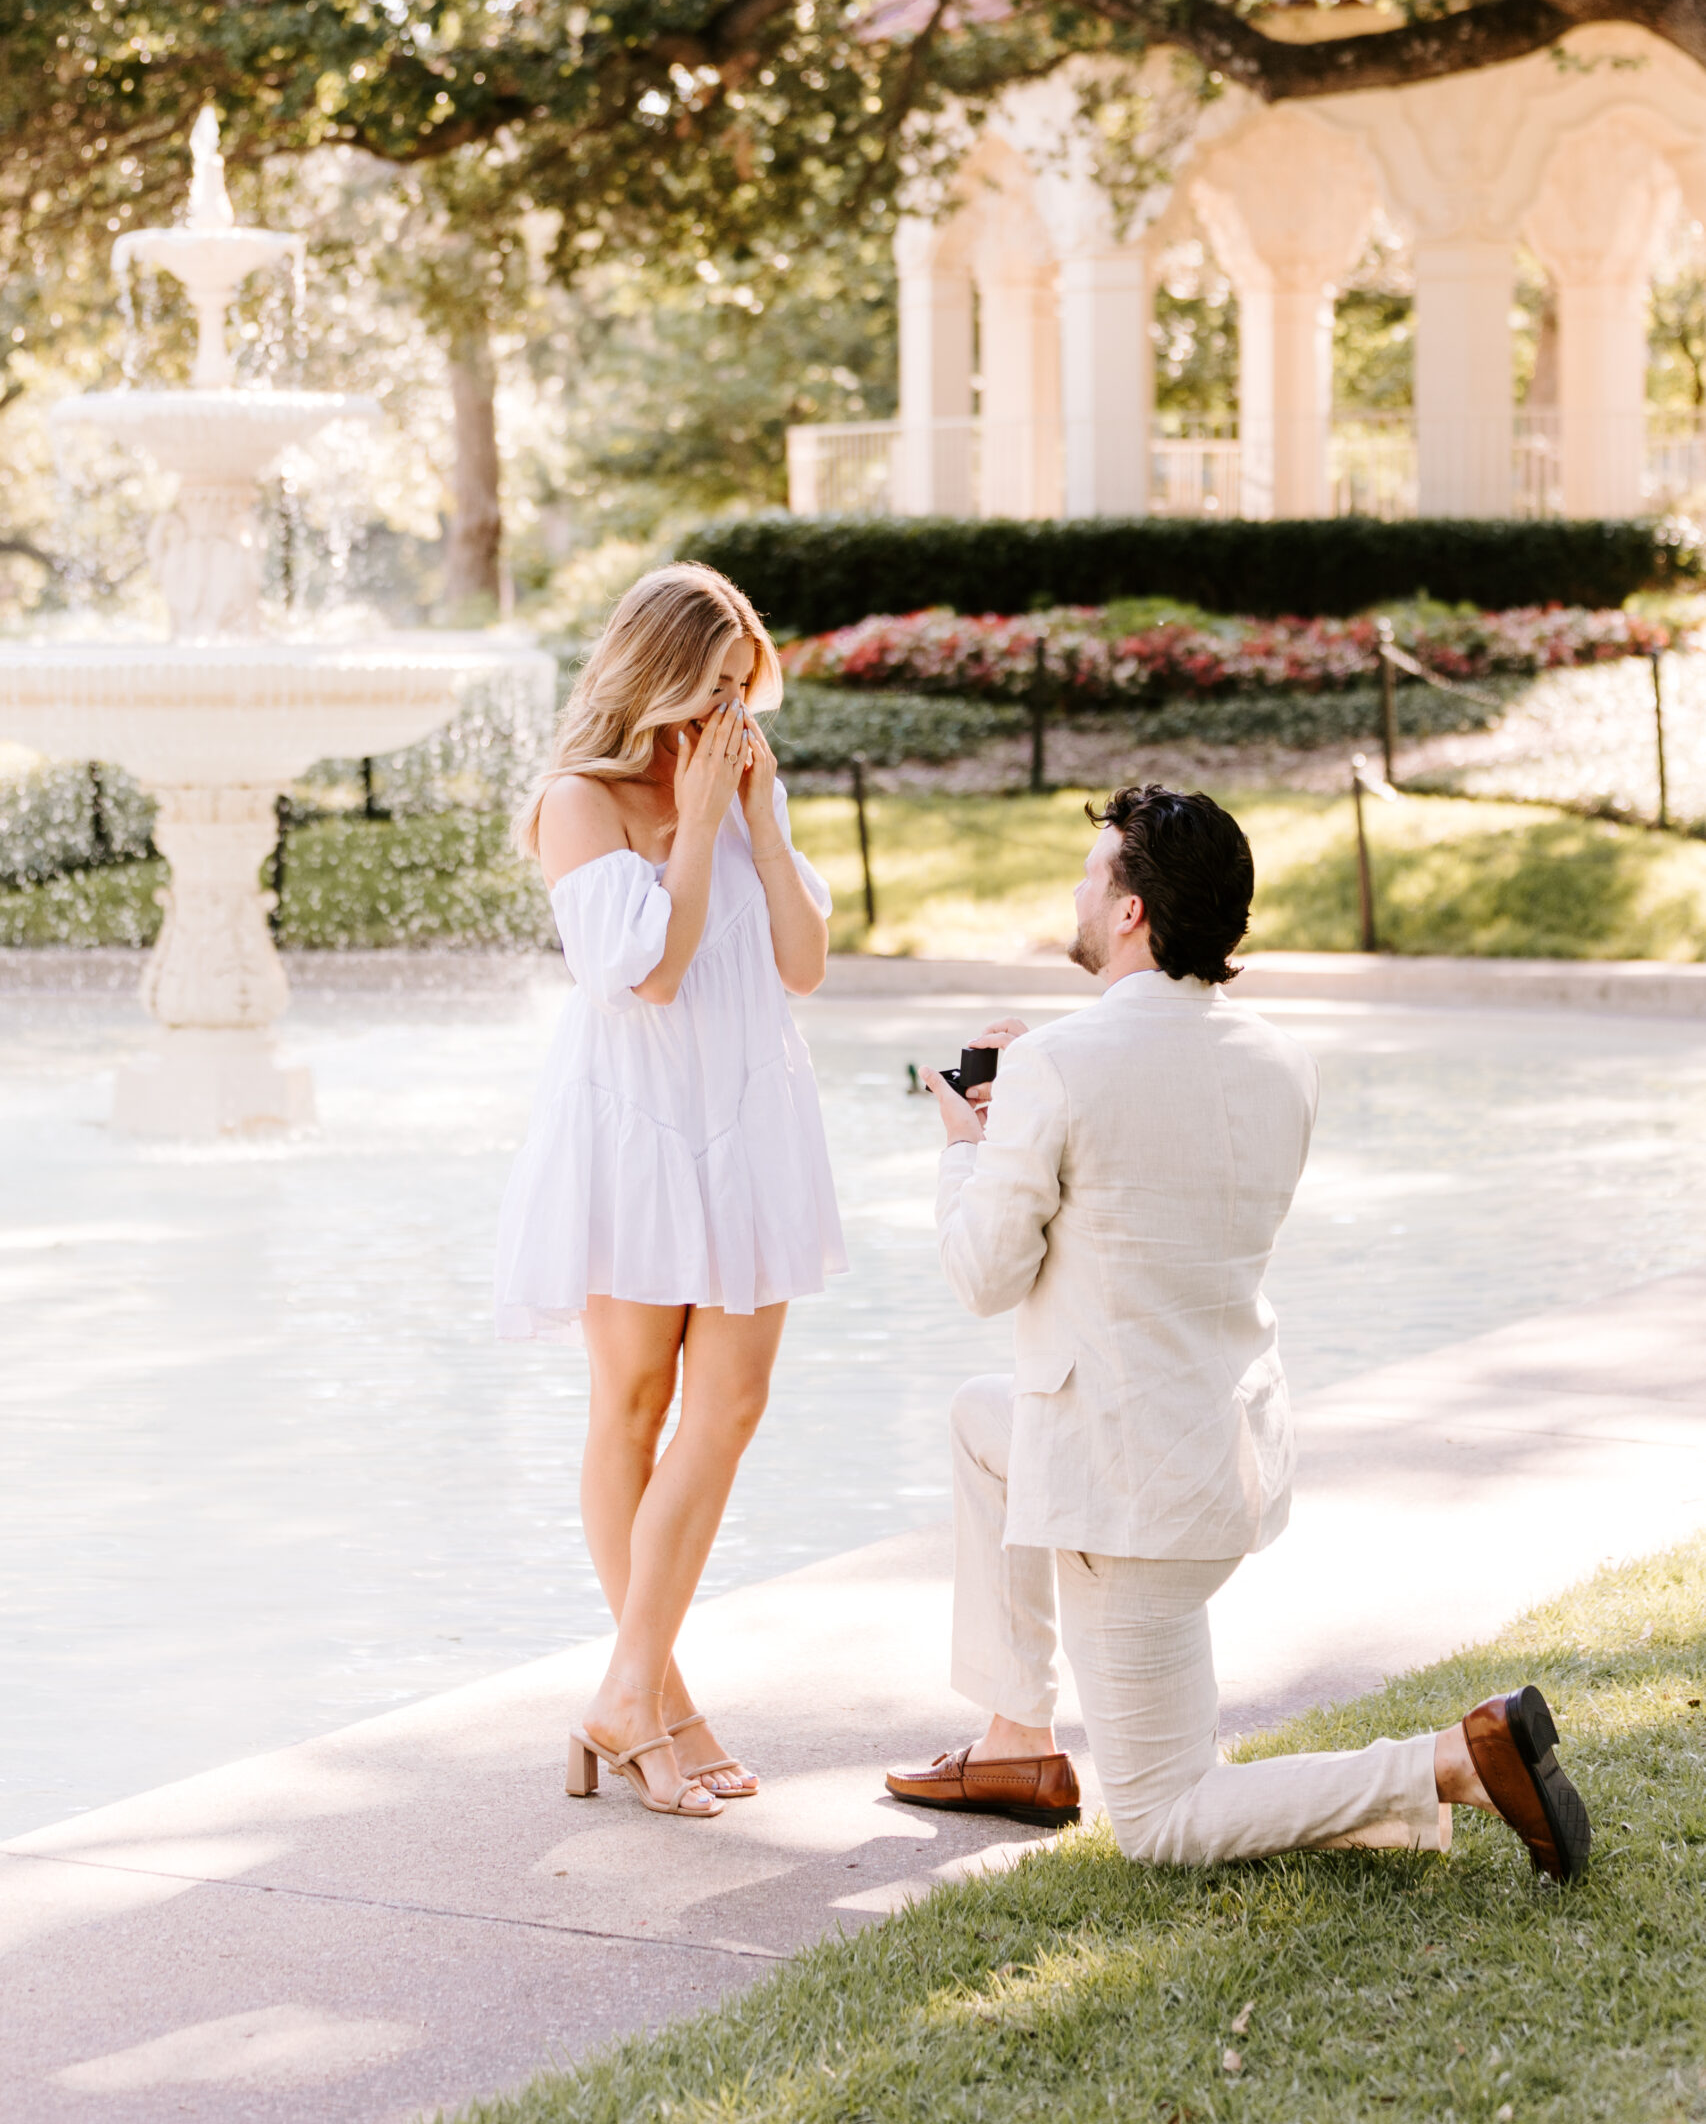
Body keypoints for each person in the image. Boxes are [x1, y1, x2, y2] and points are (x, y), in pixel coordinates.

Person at [886, 783, 1590, 1883]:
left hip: (1125, 1497)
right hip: (1223, 1460)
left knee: (1163, 1815)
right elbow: (1152, 1191)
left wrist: (964, 1148)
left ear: (1129, 913)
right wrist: (1028, 1094)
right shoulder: (1278, 1059)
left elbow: (984, 1275)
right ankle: (1013, 1737)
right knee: (983, 1419)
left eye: (1091, 875)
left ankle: (1448, 1761)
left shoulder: (1055, 1063)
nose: (1075, 892)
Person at [498, 563, 845, 1820]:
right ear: (653, 678)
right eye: (709, 690)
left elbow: (802, 964)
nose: (729, 717)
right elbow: (646, 971)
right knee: (633, 1406)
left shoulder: (750, 778)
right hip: (636, 1138)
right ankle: (661, 1704)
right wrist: (695, 826)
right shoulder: (576, 804)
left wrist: (758, 820)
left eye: (741, 693)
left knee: (733, 1405)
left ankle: (626, 1692)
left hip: (748, 1126)